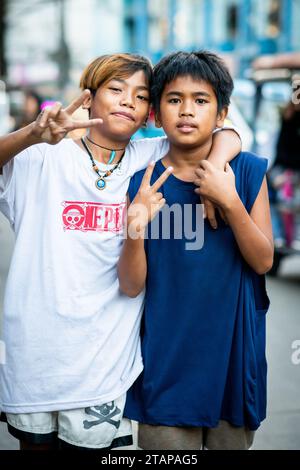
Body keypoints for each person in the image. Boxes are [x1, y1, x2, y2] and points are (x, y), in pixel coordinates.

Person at [0, 53, 241, 450]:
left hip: (105, 373)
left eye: (141, 95)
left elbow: (225, 132)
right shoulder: (41, 157)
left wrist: (215, 164)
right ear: (89, 97)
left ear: (150, 112)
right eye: (116, 89)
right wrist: (31, 134)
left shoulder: (150, 160)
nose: (128, 100)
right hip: (35, 367)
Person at [118, 51, 274, 450]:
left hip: (233, 369)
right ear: (155, 114)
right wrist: (135, 230)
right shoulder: (142, 183)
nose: (187, 111)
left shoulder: (248, 171)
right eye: (174, 100)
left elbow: (263, 260)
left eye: (201, 101)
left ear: (221, 114)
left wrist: (230, 200)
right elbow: (132, 286)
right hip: (165, 370)